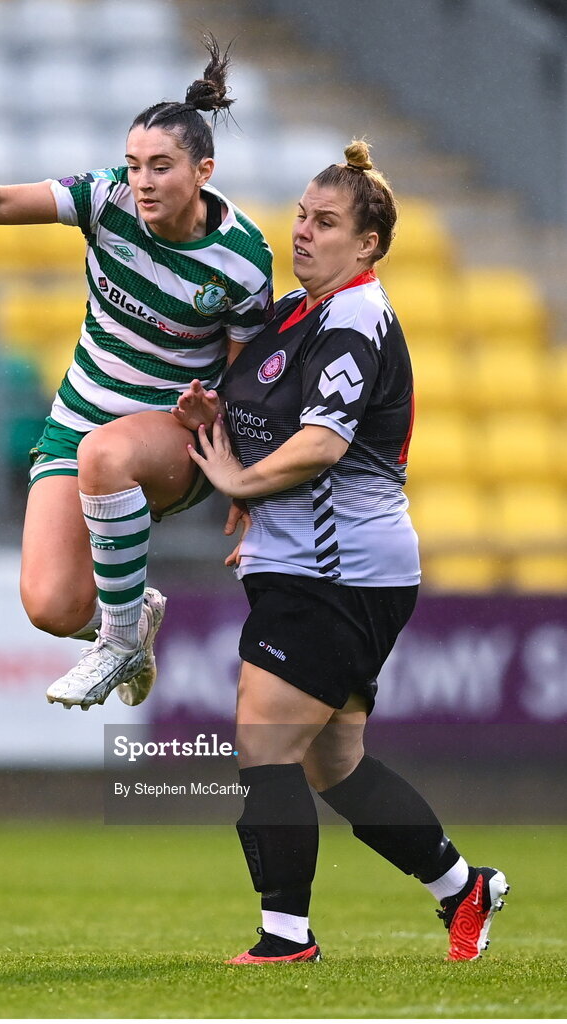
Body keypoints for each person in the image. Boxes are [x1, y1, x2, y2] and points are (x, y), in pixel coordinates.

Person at [174, 140, 508, 963]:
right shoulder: (297, 309)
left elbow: (322, 444)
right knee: (334, 764)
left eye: (325, 223)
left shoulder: (356, 317)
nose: (302, 232)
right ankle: (461, 887)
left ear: (366, 245)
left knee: (261, 737)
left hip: (338, 568)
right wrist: (208, 410)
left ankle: (284, 936)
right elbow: (276, 413)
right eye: (300, 215)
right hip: (314, 563)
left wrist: (241, 485)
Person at [0, 38, 273, 710]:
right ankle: (134, 617)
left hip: (168, 437)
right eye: (134, 166)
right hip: (77, 420)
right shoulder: (106, 200)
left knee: (107, 455)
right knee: (50, 606)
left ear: (203, 171)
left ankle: (121, 645)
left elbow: (246, 383)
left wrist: (230, 451)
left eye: (160, 167)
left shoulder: (241, 262)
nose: (143, 182)